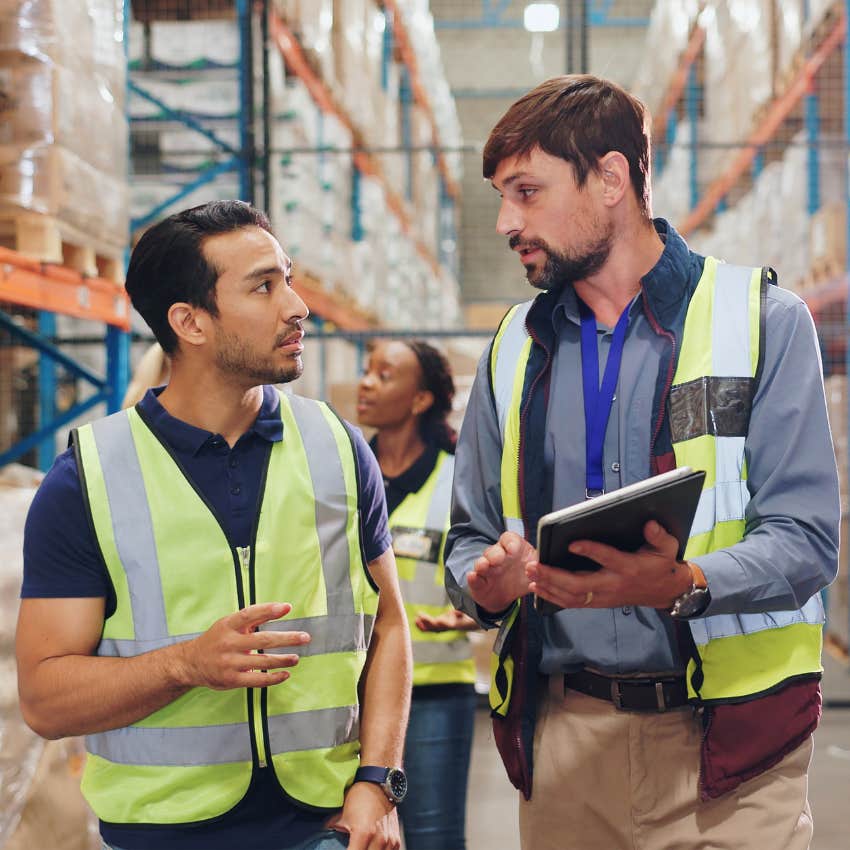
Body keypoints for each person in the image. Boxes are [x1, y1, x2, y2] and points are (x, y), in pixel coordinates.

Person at [444, 75, 839, 850]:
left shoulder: (763, 322)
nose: (504, 222)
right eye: (501, 196)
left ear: (613, 178)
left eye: (526, 191)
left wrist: (687, 583)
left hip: (734, 752)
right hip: (565, 742)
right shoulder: (513, 348)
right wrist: (481, 583)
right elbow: (469, 535)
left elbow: (807, 539)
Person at [16, 200, 412, 850]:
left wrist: (377, 781)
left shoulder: (338, 448)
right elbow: (45, 700)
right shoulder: (87, 479)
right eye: (264, 285)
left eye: (287, 276)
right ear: (190, 323)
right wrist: (185, 665)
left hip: (325, 826)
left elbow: (390, 621)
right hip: (160, 834)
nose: (297, 305)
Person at [356, 339, 477, 850]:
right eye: (367, 371)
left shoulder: (460, 478)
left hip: (433, 693)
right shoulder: (343, 471)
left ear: (421, 399)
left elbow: (489, 571)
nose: (366, 383)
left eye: (384, 375)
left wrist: (477, 613)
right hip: (350, 694)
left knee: (432, 837)